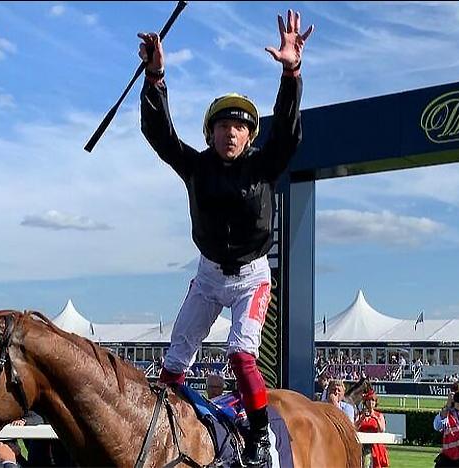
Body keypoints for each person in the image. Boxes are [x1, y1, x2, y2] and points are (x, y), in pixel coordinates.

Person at [138, 8, 313, 468]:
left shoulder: (264, 164)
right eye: (222, 125)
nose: (230, 132)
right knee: (172, 369)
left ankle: (259, 437)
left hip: (252, 278)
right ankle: (174, 435)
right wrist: (156, 77)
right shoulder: (196, 166)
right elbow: (159, 134)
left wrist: (291, 72)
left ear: (251, 134)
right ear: (210, 133)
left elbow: (290, 131)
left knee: (240, 355)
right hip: (207, 276)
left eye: (239, 126)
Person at [356, 390, 389, 468]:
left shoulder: (379, 415)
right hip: (362, 445)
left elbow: (382, 429)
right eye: (368, 400)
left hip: (375, 445)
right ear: (365, 402)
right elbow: (354, 427)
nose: (370, 402)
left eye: (373, 400)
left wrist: (375, 417)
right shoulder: (360, 414)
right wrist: (362, 418)